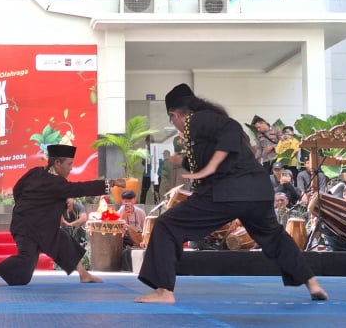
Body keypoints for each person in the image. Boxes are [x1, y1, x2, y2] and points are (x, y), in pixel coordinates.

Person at [135, 84, 327, 304]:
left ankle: (164, 291)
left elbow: (232, 129)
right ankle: (312, 283)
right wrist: (185, 161)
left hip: (228, 191)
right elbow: (217, 155)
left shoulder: (196, 120)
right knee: (274, 236)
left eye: (173, 121)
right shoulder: (206, 121)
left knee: (167, 225)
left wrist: (211, 166)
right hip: (257, 190)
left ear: (174, 114)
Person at [0, 144, 126, 286]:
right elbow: (81, 188)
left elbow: (17, 190)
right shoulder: (56, 183)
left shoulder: (35, 172)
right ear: (57, 163)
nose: (71, 169)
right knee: (25, 262)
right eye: (69, 164)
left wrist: (27, 207)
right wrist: (111, 183)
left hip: (34, 224)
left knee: (61, 240)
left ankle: (83, 274)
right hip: (27, 228)